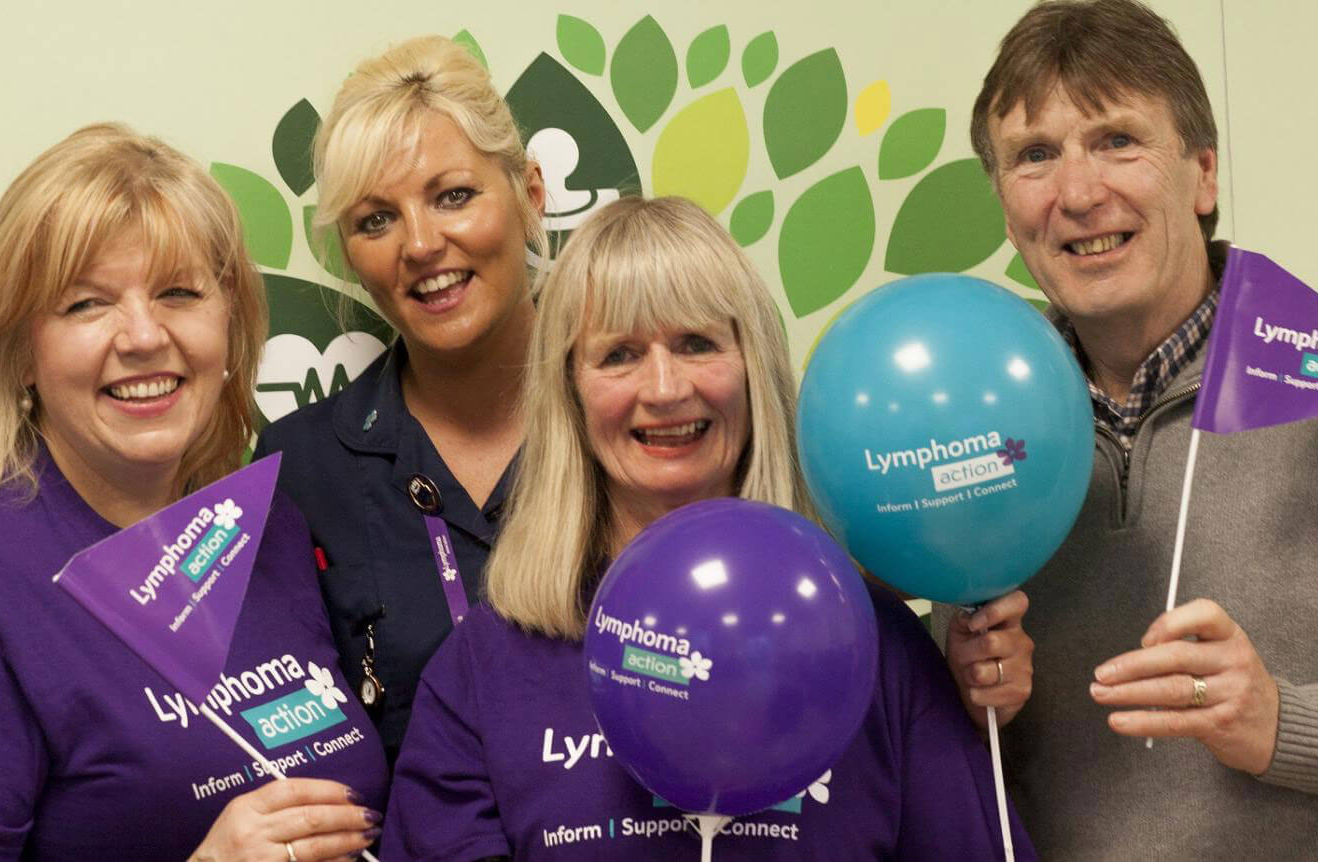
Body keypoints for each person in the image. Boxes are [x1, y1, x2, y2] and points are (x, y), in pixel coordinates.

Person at [381, 196, 1035, 860]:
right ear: (570, 393)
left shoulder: (876, 646)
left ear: (753, 371)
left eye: (697, 344)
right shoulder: (486, 669)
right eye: (619, 355)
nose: (664, 388)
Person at [945, 0, 1318, 856]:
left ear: (1203, 174)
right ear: (1004, 202)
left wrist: (1286, 721)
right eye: (1034, 156)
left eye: (1117, 141)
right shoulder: (974, 433)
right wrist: (961, 689)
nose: (1078, 192)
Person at [0, 124, 386, 861]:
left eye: (179, 292)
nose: (143, 336)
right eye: (87, 305)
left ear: (231, 325)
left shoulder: (268, 525)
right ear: (21, 352)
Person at [252, 34, 547, 764]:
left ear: (530, 195)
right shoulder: (300, 465)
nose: (419, 244)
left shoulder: (634, 414)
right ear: (348, 252)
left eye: (454, 195)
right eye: (375, 219)